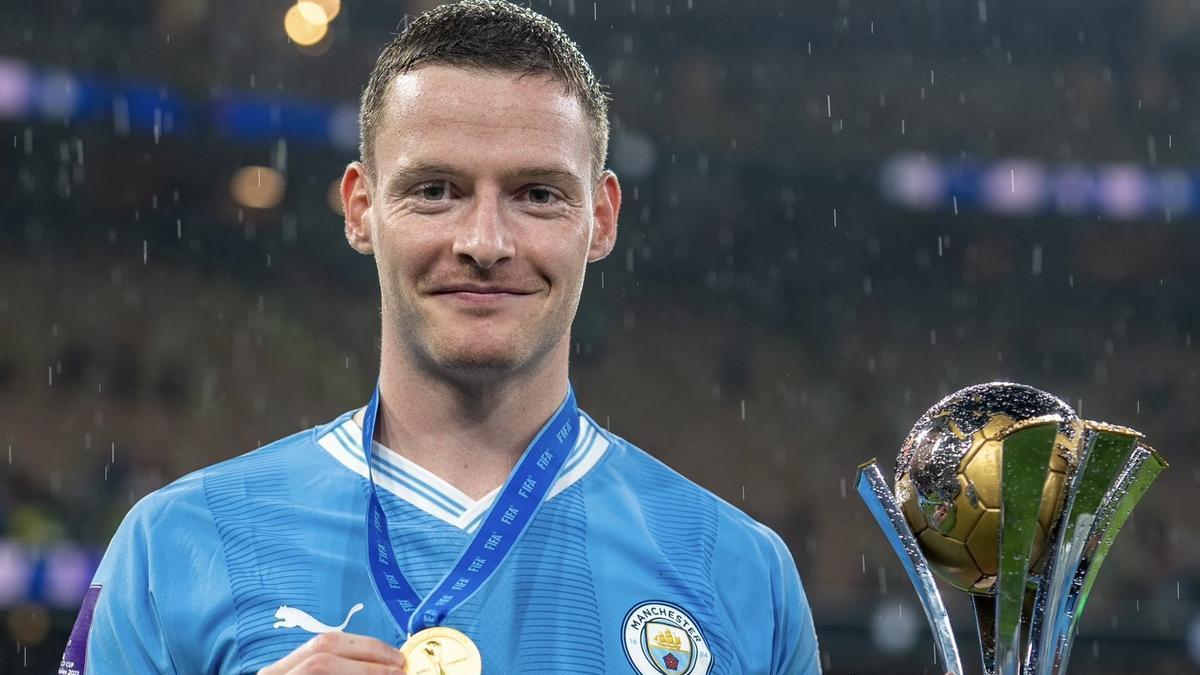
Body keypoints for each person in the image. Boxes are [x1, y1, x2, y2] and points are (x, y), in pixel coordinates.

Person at [59, 2, 821, 673]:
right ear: (359, 208)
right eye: (436, 190)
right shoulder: (175, 545)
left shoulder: (741, 572)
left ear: (602, 217)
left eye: (537, 194)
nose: (485, 241)